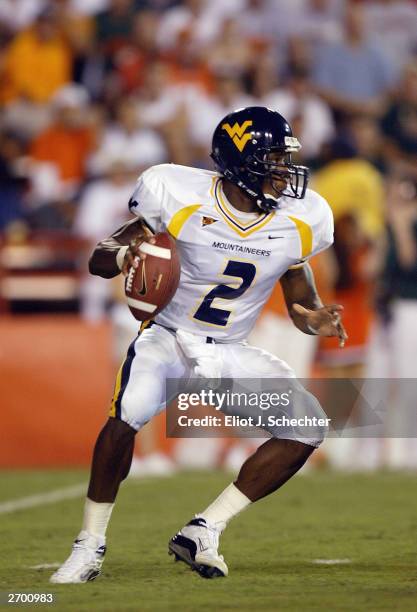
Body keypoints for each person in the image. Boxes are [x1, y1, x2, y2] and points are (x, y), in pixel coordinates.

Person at [50, 106, 347, 584]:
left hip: (229, 350)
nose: (284, 171)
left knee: (307, 425)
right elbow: (100, 259)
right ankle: (89, 545)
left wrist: (312, 316)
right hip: (169, 339)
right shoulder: (176, 192)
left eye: (285, 158)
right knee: (124, 419)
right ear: (240, 161)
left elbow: (297, 285)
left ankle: (204, 529)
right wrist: (129, 254)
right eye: (272, 158)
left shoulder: (300, 218)